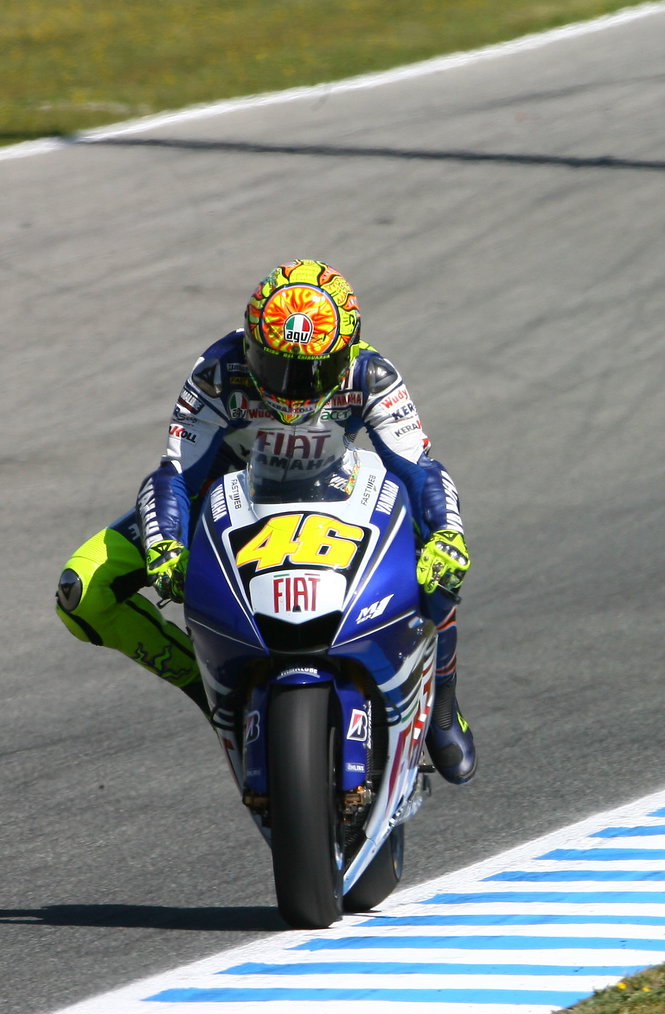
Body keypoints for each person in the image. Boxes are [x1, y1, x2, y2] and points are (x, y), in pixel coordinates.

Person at [55, 259, 478, 784]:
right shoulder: (216, 371)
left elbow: (420, 469)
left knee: (439, 561)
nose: (291, 387)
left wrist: (446, 534)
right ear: (251, 344)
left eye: (310, 372)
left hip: (335, 496)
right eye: (275, 365)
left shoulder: (373, 375)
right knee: (82, 591)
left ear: (344, 353)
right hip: (226, 500)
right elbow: (173, 476)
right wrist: (165, 543)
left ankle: (442, 705)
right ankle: (209, 686)